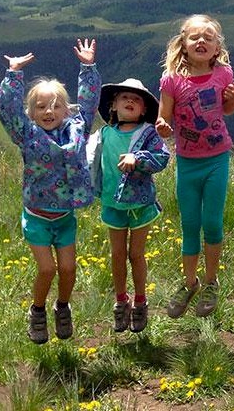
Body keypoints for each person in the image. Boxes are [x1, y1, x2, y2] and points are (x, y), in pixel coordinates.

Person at [0, 39, 100, 344]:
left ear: (67, 109)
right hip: (37, 216)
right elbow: (6, 109)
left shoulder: (77, 128)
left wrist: (88, 66)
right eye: (40, 106)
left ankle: (62, 308)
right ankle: (37, 311)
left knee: (68, 269)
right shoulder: (26, 134)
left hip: (64, 216)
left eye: (55, 105)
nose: (49, 111)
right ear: (30, 112)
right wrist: (13, 74)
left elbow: (90, 100)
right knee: (47, 269)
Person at [156, 14, 234, 318]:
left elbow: (229, 109)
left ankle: (210, 282)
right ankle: (189, 282)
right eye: (195, 37)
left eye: (208, 37)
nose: (201, 41)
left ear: (217, 45)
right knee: (190, 224)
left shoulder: (224, 74)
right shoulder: (171, 79)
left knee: (213, 223)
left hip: (217, 158)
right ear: (183, 43)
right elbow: (163, 116)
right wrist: (163, 127)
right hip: (187, 161)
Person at [89, 78, 170, 333]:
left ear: (145, 109)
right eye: (125, 97)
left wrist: (139, 157)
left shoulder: (148, 134)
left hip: (140, 204)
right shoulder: (103, 135)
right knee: (117, 255)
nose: (131, 101)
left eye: (137, 99)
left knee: (136, 254)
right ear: (113, 105)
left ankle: (140, 301)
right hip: (113, 204)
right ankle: (121, 300)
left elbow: (162, 158)